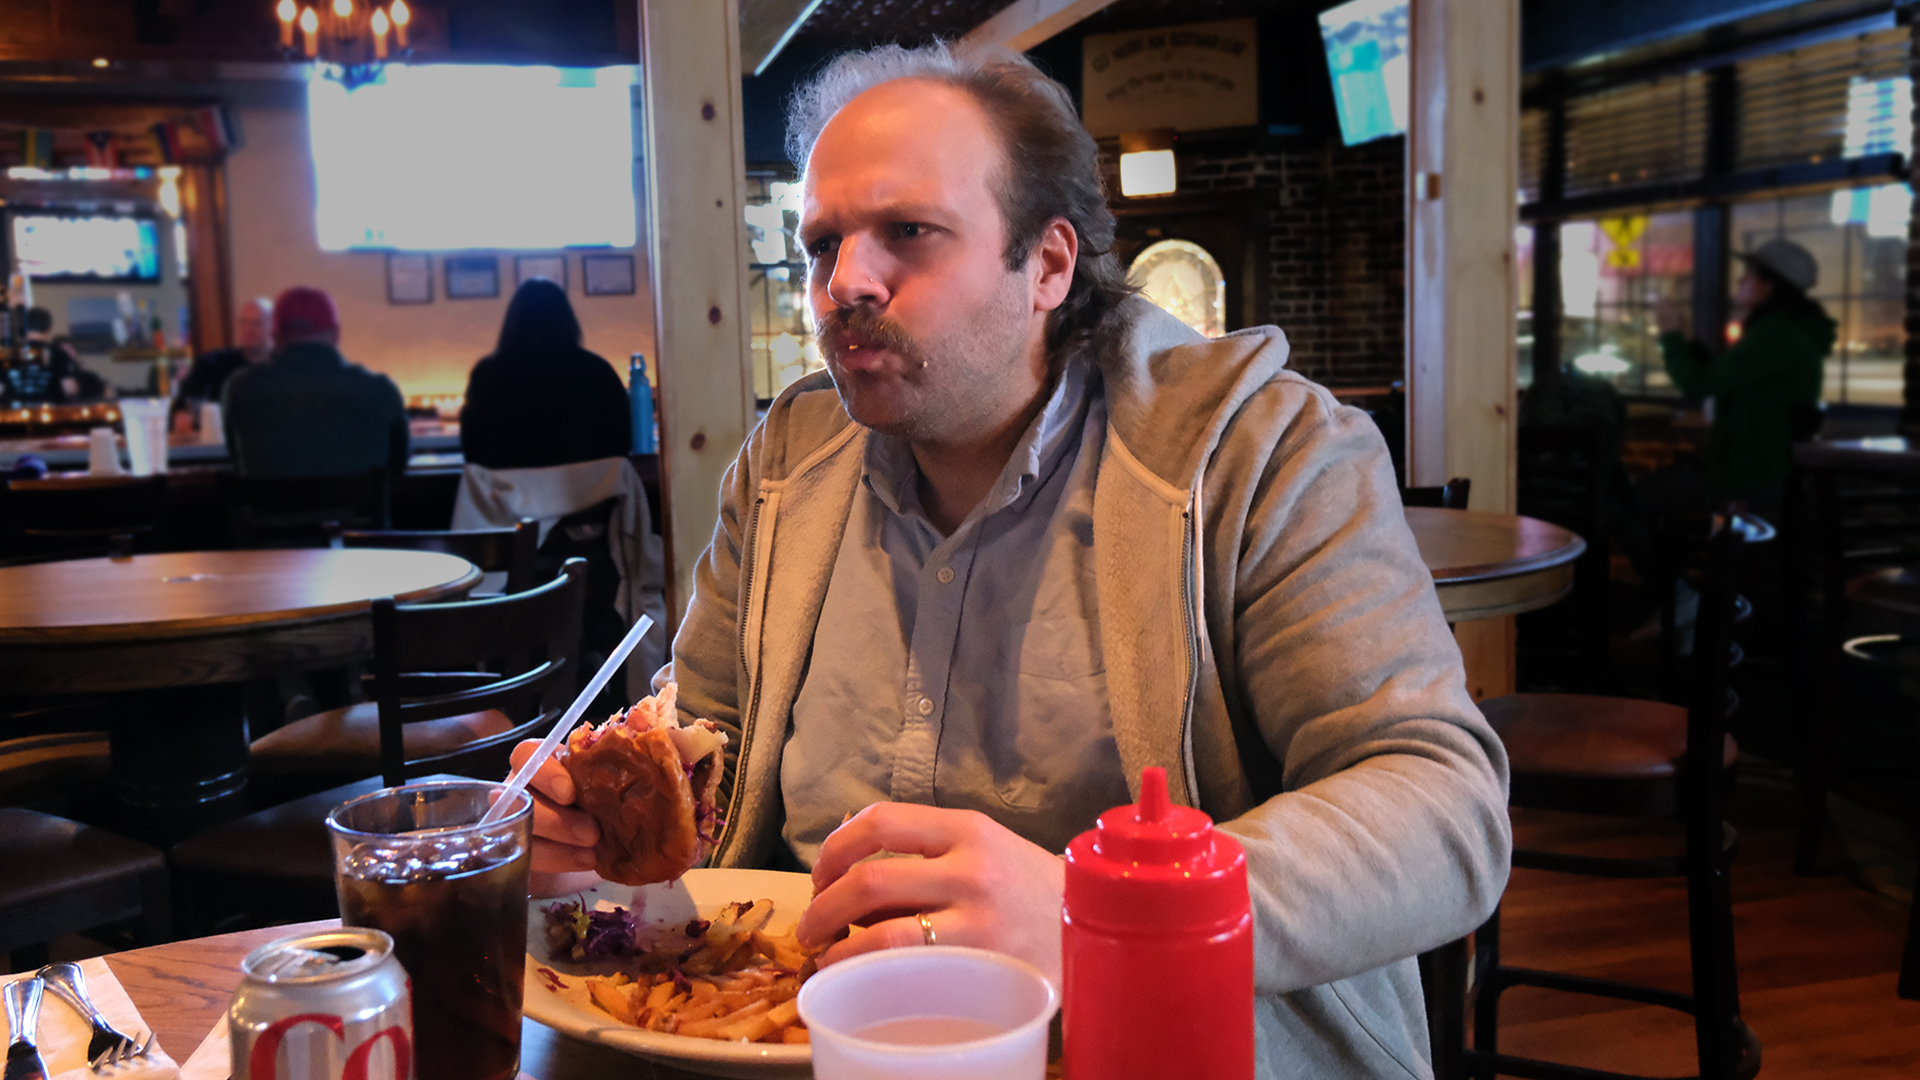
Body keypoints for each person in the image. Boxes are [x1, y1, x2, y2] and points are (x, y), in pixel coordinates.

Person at [514, 42, 1508, 1077]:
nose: (844, 281)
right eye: (821, 246)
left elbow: (1443, 807)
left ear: (1048, 264)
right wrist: (603, 818)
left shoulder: (1264, 450)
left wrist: (1114, 912)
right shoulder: (785, 463)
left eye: (908, 232)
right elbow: (705, 730)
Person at [1655, 237, 1833, 510]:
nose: (1739, 281)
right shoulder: (1782, 332)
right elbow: (1723, 377)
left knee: (1639, 501)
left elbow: (1697, 383)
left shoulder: (1775, 335)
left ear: (1768, 287)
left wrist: (1669, 334)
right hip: (1760, 470)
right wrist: (1688, 340)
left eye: (1748, 275)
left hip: (1753, 474)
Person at [223, 286, 410, 478]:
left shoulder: (239, 388)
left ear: (276, 338)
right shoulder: (381, 390)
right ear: (336, 334)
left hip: (269, 508)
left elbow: (236, 459)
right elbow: (397, 467)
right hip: (356, 508)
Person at [459, 277, 631, 468]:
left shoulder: (487, 374)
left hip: (508, 496)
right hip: (587, 496)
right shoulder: (598, 371)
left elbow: (472, 453)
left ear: (514, 320)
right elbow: (621, 445)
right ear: (566, 319)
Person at [174, 296, 273, 434]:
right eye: (244, 322)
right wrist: (183, 416)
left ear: (273, 328)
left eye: (257, 323)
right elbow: (185, 406)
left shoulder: (284, 367)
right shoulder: (211, 364)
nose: (249, 329)